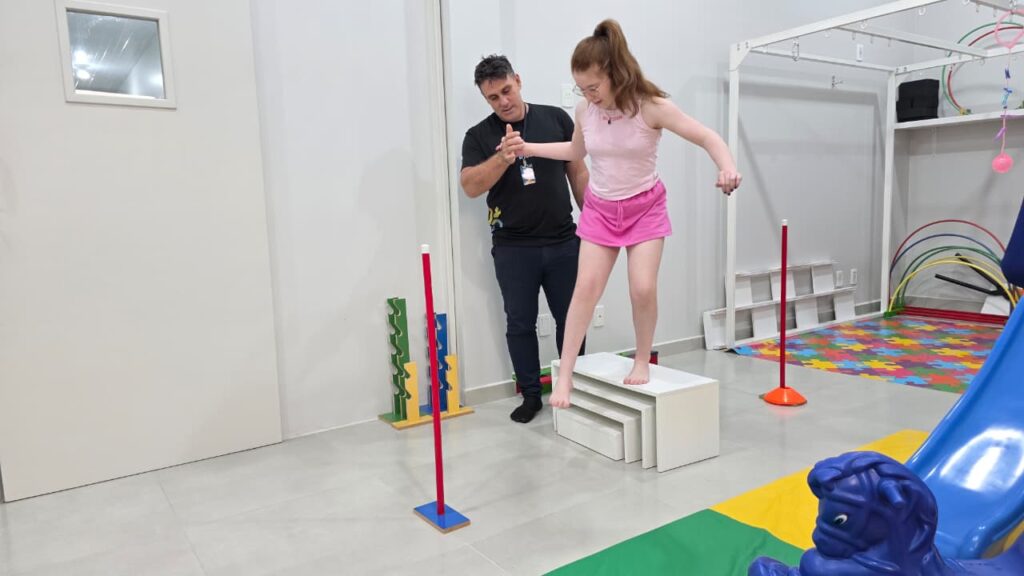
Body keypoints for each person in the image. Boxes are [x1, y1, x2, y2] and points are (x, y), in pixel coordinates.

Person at [515, 19, 742, 408]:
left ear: (615, 73)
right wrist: (529, 148)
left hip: (645, 207)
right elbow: (575, 152)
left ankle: (642, 359)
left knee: (642, 288)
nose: (588, 95)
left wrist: (727, 166)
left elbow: (707, 136)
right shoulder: (585, 109)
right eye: (581, 88)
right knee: (585, 289)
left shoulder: (651, 107)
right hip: (601, 208)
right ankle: (565, 375)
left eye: (593, 87)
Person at [460, 55, 589, 423]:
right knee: (520, 323)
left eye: (506, 90)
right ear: (485, 98)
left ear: (518, 80)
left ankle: (572, 388)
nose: (503, 101)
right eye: (493, 97)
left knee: (572, 320)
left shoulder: (556, 119)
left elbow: (578, 172)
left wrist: (596, 224)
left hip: (564, 242)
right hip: (513, 248)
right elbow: (470, 186)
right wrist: (503, 157)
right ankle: (531, 396)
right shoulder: (478, 136)